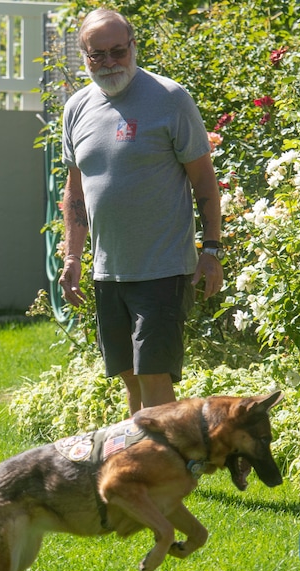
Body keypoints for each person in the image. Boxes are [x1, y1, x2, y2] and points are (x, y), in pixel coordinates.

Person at [59, 8, 224, 415]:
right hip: (108, 270)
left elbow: (204, 180)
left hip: (162, 268)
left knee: (154, 375)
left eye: (118, 51)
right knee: (130, 378)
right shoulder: (77, 108)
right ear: (84, 56)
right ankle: (145, 470)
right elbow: (75, 191)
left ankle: (173, 473)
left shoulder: (169, 99)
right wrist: (71, 257)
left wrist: (212, 250)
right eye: (98, 55)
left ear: (133, 46)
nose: (110, 62)